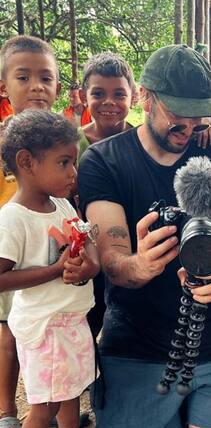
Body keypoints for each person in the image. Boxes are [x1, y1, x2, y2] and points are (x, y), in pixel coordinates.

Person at [76, 45, 211, 428]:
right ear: (146, 98)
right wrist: (138, 265)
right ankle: (168, 409)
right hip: (136, 337)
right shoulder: (103, 160)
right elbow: (112, 258)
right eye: (178, 112)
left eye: (199, 113)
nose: (190, 125)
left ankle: (192, 408)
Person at [0, 110, 108, 428]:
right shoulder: (13, 219)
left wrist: (90, 265)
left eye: (73, 162)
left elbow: (86, 239)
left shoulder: (61, 204)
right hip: (44, 327)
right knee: (44, 405)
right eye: (64, 162)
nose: (73, 173)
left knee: (70, 390)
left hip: (70, 319)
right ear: (26, 162)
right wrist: (55, 270)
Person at [0, 35, 65, 428]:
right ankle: (7, 412)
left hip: (49, 249)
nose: (37, 86)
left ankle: (53, 400)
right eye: (24, 77)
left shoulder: (62, 136)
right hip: (9, 251)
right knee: (8, 334)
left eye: (46, 77)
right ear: (4, 86)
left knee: (51, 328)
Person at [76, 52, 137, 338]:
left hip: (129, 248)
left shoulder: (142, 142)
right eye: (98, 93)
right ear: (83, 96)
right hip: (84, 252)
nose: (109, 102)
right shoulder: (70, 142)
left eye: (119, 94)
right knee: (87, 321)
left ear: (134, 97)